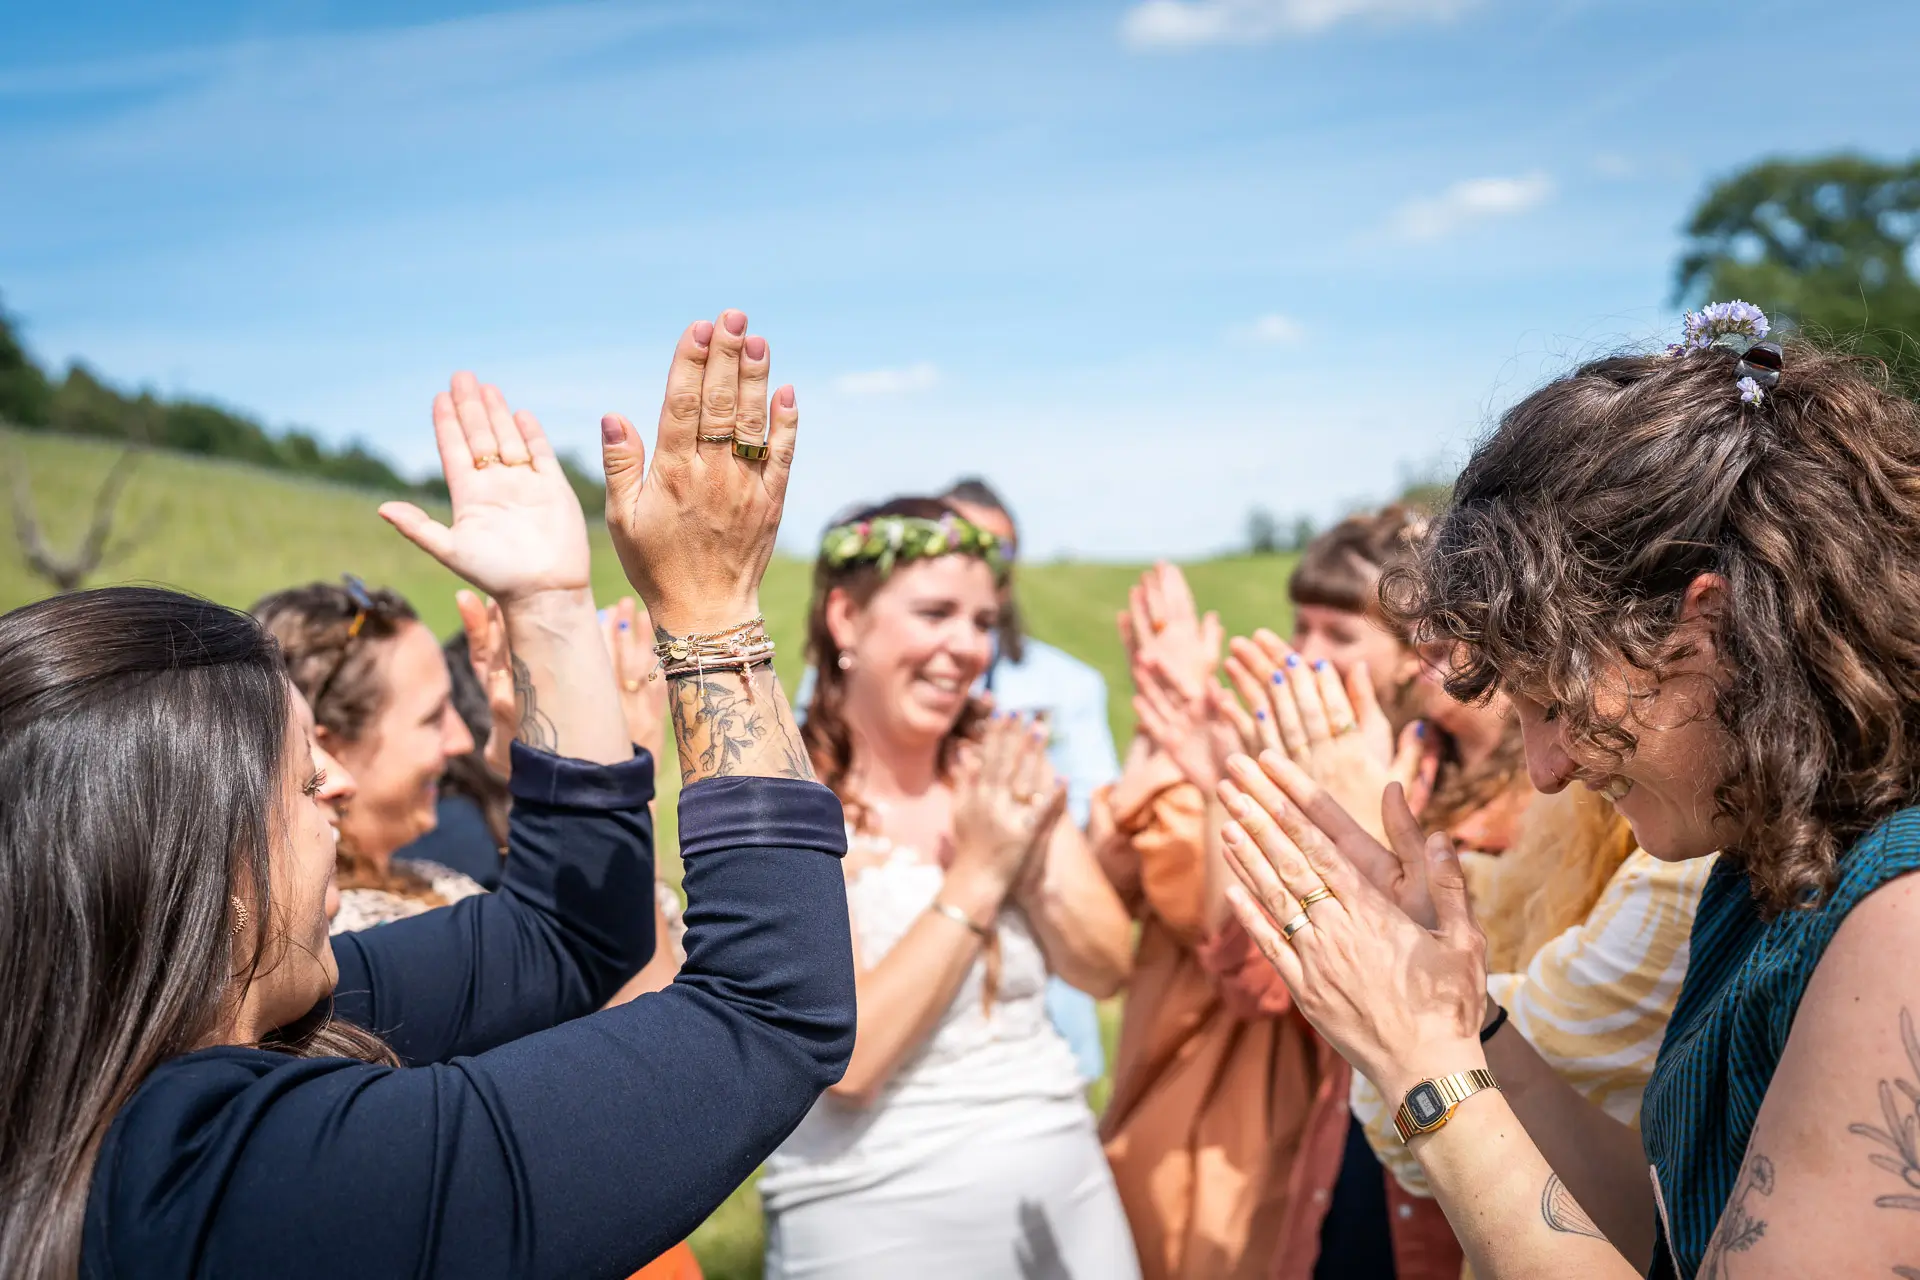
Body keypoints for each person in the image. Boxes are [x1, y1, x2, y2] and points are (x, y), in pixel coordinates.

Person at [0, 310, 858, 1279]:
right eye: (299, 773)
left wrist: (548, 608)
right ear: (189, 863)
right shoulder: (228, 1178)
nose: (342, 781)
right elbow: (771, 1005)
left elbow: (566, 934)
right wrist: (710, 612)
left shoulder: (135, 1036)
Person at [1216, 310, 1920, 1279]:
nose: (1547, 766)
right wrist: (1468, 1021)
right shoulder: (1771, 861)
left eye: (1555, 703)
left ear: (1703, 625)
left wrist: (1425, 1068)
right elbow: (1659, 1230)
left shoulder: (1901, 916)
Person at [758, 497, 1139, 1280]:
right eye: (936, 613)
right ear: (845, 617)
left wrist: (1029, 849)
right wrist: (984, 868)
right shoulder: (783, 802)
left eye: (983, 621)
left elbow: (1104, 967)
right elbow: (849, 1063)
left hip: (1068, 1193)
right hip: (871, 1215)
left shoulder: (997, 766)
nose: (966, 648)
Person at [1091, 562, 1322, 1280]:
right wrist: (1157, 729)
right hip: (1167, 1054)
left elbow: (1207, 911)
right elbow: (1110, 885)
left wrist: (1200, 765)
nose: (1304, 648)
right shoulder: (1247, 739)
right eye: (1302, 624)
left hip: (1248, 1089)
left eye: (1336, 631)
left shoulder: (1304, 769)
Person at [942, 477, 1121, 1085]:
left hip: (1044, 942)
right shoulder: (855, 679)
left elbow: (1095, 808)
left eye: (1000, 551)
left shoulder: (1070, 685)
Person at [254, 576, 492, 931]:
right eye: (432, 718)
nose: (462, 742)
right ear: (327, 750)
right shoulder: (343, 931)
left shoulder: (423, 877)